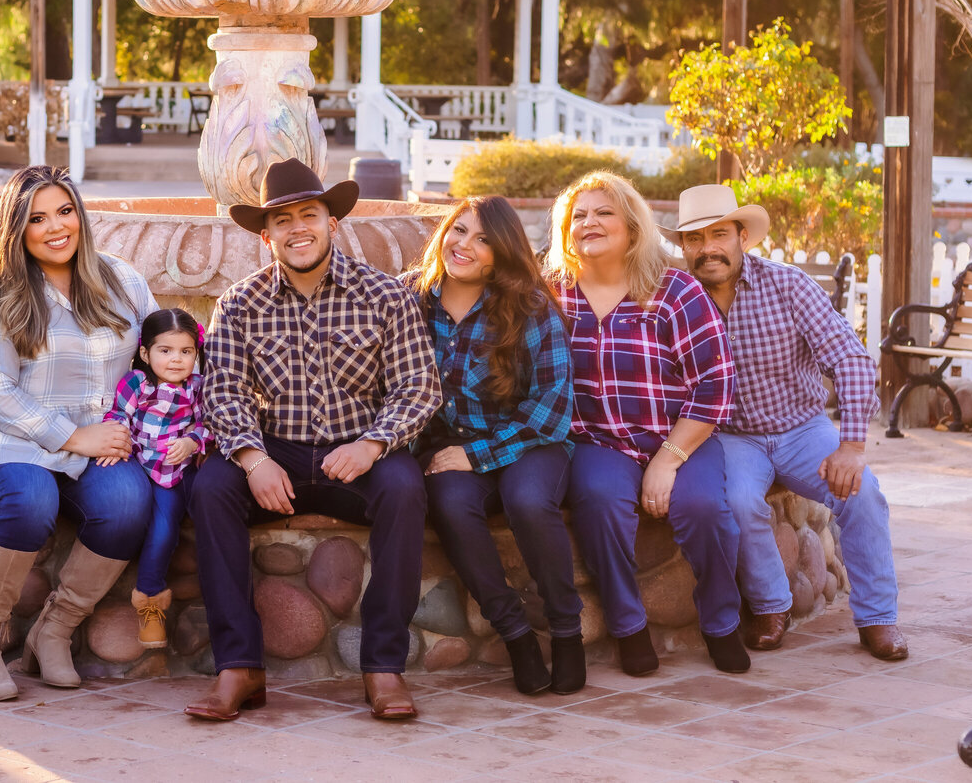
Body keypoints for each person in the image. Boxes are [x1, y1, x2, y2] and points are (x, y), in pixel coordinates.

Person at [187, 159, 441, 723]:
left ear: (332, 222)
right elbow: (223, 393)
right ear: (266, 233)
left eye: (309, 214)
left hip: (360, 452)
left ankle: (382, 665)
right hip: (276, 450)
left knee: (404, 489)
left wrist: (373, 445)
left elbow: (419, 388)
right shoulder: (240, 304)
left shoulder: (384, 296)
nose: (297, 228)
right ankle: (240, 667)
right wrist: (252, 460)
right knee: (211, 490)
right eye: (283, 220)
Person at [0, 165, 157, 701]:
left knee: (128, 502)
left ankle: (52, 631)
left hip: (94, 441)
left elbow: (158, 354)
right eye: (37, 218)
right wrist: (72, 436)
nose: (56, 227)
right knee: (29, 499)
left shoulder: (122, 281)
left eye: (65, 210)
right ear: (15, 229)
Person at [671, 184, 906, 661]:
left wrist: (852, 446)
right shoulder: (677, 299)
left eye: (719, 234)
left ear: (743, 237)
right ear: (683, 246)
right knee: (737, 501)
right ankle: (772, 606)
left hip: (802, 428)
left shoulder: (789, 285)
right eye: (695, 239)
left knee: (863, 493)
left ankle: (878, 619)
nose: (708, 248)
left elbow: (852, 361)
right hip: (731, 436)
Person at [546, 171, 750, 677]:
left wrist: (669, 458)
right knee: (597, 501)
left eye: (603, 212)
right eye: (578, 216)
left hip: (681, 434)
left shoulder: (675, 289)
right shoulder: (552, 293)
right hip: (598, 440)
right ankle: (628, 626)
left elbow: (714, 386)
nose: (588, 222)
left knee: (703, 506)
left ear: (632, 227)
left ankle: (722, 622)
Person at [407, 196, 584, 696]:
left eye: (483, 239)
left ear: (501, 253)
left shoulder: (530, 305)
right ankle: (517, 636)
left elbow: (552, 408)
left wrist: (478, 454)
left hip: (530, 441)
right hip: (451, 445)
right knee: (448, 500)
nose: (463, 245)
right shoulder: (411, 299)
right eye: (458, 230)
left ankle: (567, 631)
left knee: (528, 500)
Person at [103, 307, 208, 648]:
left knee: (165, 531)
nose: (176, 360)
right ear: (146, 353)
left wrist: (193, 441)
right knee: (134, 518)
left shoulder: (198, 387)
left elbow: (214, 423)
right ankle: (143, 598)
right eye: (165, 351)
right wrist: (115, 441)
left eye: (186, 351)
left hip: (172, 473)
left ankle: (150, 597)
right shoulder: (137, 383)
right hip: (135, 464)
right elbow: (117, 415)